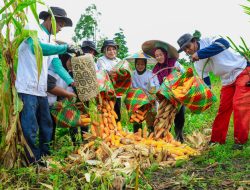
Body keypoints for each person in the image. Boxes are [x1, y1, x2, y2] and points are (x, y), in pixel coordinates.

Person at [15, 6, 78, 163]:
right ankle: (31, 159)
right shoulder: (32, 29)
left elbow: (57, 66)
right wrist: (65, 47)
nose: (61, 27)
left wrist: (72, 82)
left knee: (46, 125)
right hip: (27, 88)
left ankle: (45, 155)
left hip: (41, 90)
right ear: (50, 18)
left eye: (63, 24)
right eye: (61, 23)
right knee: (30, 127)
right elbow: (38, 48)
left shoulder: (52, 41)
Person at [177, 33, 250, 149]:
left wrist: (200, 53)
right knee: (223, 109)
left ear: (195, 41)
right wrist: (201, 97)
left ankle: (240, 141)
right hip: (226, 80)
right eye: (184, 49)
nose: (187, 50)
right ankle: (217, 140)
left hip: (241, 70)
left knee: (239, 104)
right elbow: (206, 84)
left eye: (188, 46)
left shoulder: (209, 40)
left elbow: (224, 44)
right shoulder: (197, 63)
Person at [142, 40, 185, 142]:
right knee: (165, 116)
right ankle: (166, 137)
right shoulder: (156, 69)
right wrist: (160, 92)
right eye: (156, 56)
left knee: (180, 115)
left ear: (165, 54)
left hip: (178, 93)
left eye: (160, 55)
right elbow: (156, 84)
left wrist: (178, 73)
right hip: (165, 96)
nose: (159, 57)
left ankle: (179, 135)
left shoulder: (174, 63)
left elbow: (183, 73)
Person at [131, 58, 160, 132]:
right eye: (138, 64)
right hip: (137, 99)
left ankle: (151, 134)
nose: (140, 66)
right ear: (135, 64)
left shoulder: (151, 73)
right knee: (137, 118)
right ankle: (137, 134)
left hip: (150, 98)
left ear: (145, 65)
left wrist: (153, 94)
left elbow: (156, 85)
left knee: (151, 118)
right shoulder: (133, 74)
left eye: (142, 64)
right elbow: (131, 87)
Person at [96, 40, 122, 121]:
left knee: (117, 112)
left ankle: (117, 130)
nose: (112, 51)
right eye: (109, 49)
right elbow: (102, 71)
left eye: (113, 49)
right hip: (105, 90)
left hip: (117, 89)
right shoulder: (101, 60)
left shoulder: (119, 60)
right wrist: (110, 73)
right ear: (105, 51)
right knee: (106, 111)